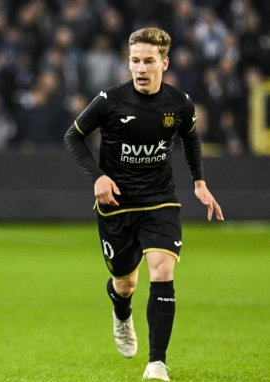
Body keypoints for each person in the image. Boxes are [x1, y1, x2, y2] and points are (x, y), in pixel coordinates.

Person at [63, 27, 223, 381]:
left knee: (163, 271)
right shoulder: (110, 100)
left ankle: (156, 363)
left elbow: (191, 139)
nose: (140, 68)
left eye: (149, 61)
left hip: (161, 201)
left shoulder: (179, 104)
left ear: (164, 63)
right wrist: (98, 176)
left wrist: (199, 181)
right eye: (135, 60)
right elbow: (73, 137)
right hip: (117, 205)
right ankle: (121, 313)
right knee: (125, 283)